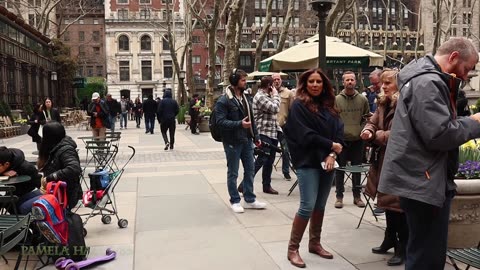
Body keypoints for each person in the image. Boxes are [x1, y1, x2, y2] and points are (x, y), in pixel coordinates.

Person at [378, 37, 480, 270]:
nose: (465, 75)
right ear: (453, 57)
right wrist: (474, 122)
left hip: (421, 178)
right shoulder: (428, 82)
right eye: (466, 68)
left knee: (422, 250)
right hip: (424, 181)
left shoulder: (424, 78)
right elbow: (439, 135)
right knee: (427, 256)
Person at [284, 68, 344, 268]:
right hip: (307, 161)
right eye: (311, 81)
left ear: (324, 84)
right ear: (305, 83)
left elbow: (339, 133)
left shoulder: (329, 106)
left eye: (319, 81)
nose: (315, 85)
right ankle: (293, 249)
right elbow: (304, 135)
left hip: (328, 161)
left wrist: (332, 153)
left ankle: (315, 243)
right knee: (307, 205)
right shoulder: (299, 106)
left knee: (320, 206)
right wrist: (330, 146)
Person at [360, 68, 407, 266]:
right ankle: (389, 239)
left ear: (399, 84)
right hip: (382, 159)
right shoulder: (383, 103)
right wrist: (368, 130)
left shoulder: (403, 104)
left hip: (397, 162)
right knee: (386, 203)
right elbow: (372, 121)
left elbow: (400, 133)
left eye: (388, 83)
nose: (384, 86)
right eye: (383, 82)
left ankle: (402, 248)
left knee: (397, 206)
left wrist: (376, 135)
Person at [215, 68, 266, 213]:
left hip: (247, 140)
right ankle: (235, 200)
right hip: (232, 141)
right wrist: (239, 124)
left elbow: (251, 119)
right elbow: (220, 122)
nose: (245, 82)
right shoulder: (224, 100)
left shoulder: (245, 98)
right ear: (235, 81)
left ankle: (250, 199)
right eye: (243, 80)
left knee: (250, 170)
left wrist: (256, 137)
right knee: (233, 172)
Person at [334, 71, 370, 208]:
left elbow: (367, 117)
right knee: (340, 169)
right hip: (341, 140)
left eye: (352, 79)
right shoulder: (336, 99)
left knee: (357, 169)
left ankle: (357, 196)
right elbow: (333, 119)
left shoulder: (363, 99)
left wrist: (362, 130)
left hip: (358, 140)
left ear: (356, 81)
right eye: (347, 80)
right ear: (343, 82)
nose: (350, 82)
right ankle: (339, 196)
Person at [241, 76, 280, 195]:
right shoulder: (260, 97)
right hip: (263, 132)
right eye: (274, 84)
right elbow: (275, 108)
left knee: (270, 160)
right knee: (262, 158)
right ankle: (243, 184)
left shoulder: (267, 96)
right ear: (269, 86)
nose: (276, 86)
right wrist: (276, 94)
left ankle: (266, 186)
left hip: (272, 132)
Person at [37, 122, 82, 210]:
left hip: (64, 193)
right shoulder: (54, 147)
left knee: (25, 207)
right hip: (53, 190)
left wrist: (50, 177)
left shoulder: (66, 149)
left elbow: (74, 168)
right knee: (24, 200)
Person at [0, 146, 41, 214]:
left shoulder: (26, 168)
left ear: (7, 164)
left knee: (14, 206)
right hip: (11, 193)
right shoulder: (4, 160)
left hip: (25, 193)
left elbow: (39, 183)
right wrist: (3, 174)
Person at [273, 73, 295, 181]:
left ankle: (286, 171)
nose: (277, 81)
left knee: (285, 150)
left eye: (278, 79)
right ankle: (267, 172)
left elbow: (292, 110)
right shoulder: (268, 92)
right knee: (270, 151)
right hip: (271, 127)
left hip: (283, 126)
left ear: (281, 80)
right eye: (275, 79)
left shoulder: (288, 93)